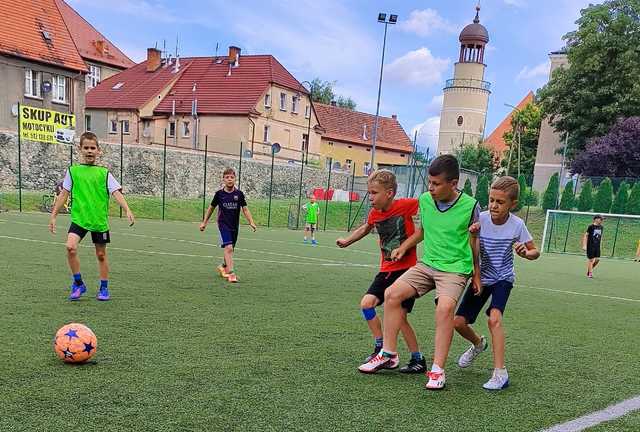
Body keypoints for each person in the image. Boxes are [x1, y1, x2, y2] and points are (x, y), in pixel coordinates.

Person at [358, 155, 481, 390]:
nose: (430, 188)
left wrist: (476, 274)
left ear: (453, 183)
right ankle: (389, 354)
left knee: (444, 308)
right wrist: (403, 247)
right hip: (428, 264)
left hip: (455, 269)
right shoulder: (425, 200)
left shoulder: (472, 206)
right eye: (429, 183)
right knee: (392, 294)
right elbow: (424, 231)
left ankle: (436, 370)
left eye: (436, 184)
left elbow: (476, 243)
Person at [453, 176, 540, 391]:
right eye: (491, 200)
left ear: (513, 204)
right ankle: (478, 344)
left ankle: (500, 373)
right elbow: (471, 253)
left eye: (499, 202)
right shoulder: (480, 220)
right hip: (481, 276)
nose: (493, 205)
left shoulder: (517, 225)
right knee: (458, 323)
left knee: (494, 319)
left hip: (503, 278)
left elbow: (535, 251)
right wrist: (473, 239)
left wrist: (525, 253)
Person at [336, 170, 426, 373]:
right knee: (367, 304)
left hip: (406, 271)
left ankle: (417, 359)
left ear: (390, 193)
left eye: (374, 192)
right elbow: (365, 228)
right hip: (386, 269)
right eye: (369, 193)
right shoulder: (375, 213)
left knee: (400, 317)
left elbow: (428, 203)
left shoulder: (406, 205)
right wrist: (347, 241)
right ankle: (380, 346)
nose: (371, 197)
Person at [48, 132, 135, 301]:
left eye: (92, 148)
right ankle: (78, 283)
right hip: (79, 219)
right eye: (86, 148)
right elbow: (64, 194)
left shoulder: (104, 173)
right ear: (80, 149)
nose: (89, 151)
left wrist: (127, 210)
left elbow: (116, 192)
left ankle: (103, 288)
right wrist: (53, 216)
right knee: (70, 247)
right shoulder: (73, 171)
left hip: (98, 221)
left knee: (101, 255)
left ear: (98, 151)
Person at [200, 168, 257, 283]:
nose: (229, 179)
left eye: (232, 177)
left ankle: (223, 266)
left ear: (235, 179)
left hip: (234, 226)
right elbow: (211, 208)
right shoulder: (219, 194)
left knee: (230, 249)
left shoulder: (239, 194)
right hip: (223, 224)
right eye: (227, 177)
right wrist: (204, 222)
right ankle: (231, 273)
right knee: (229, 247)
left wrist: (251, 221)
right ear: (223, 179)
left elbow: (245, 209)